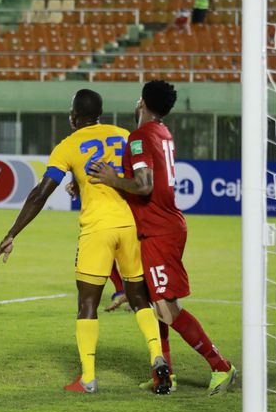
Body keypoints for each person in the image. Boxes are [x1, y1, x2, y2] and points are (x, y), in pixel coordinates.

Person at [0, 89, 171, 395]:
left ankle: (88, 378)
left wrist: (12, 233)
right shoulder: (124, 135)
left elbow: (41, 193)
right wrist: (80, 181)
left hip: (97, 229)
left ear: (74, 116)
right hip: (129, 226)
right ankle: (157, 356)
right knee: (140, 298)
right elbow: (136, 177)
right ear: (99, 113)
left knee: (87, 303)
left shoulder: (68, 145)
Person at [87, 80, 237, 395]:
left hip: (159, 231)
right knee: (155, 303)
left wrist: (113, 178)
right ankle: (163, 375)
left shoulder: (140, 137)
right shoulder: (162, 132)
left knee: (167, 308)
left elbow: (144, 185)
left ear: (141, 102)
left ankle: (221, 366)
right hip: (157, 228)